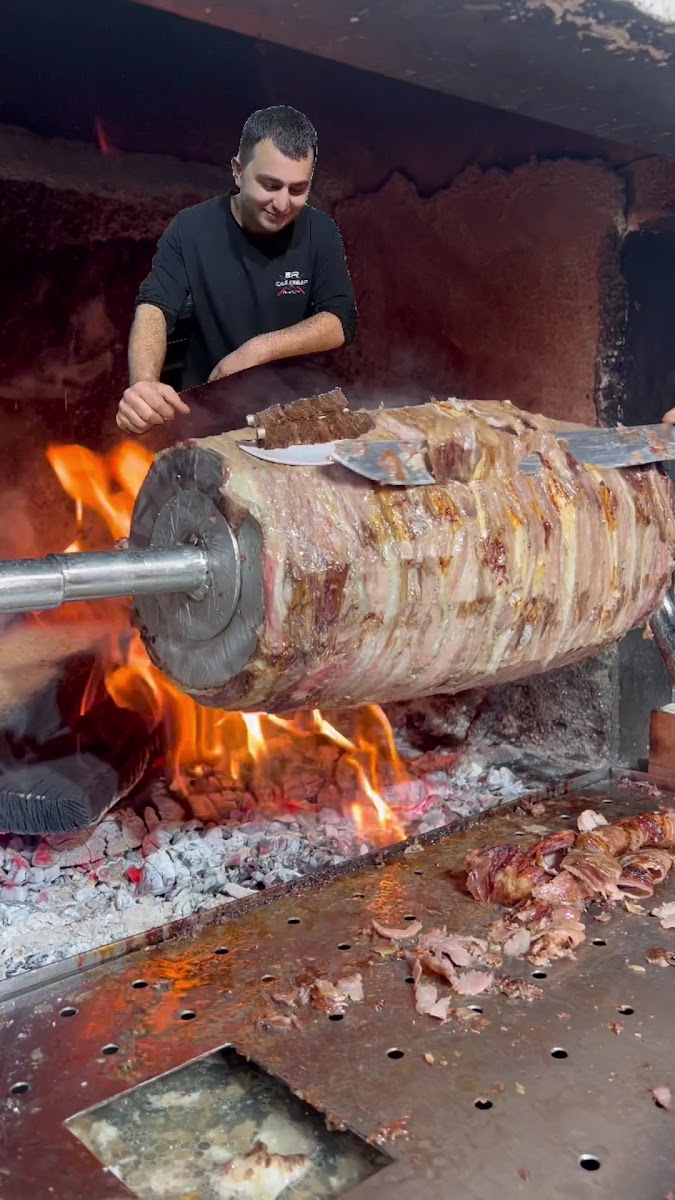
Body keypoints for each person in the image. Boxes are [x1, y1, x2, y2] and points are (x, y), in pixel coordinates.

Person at [116, 106, 357, 435]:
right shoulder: (191, 228)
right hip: (206, 415)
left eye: (298, 189)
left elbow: (339, 320)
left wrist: (258, 349)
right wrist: (144, 383)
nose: (283, 203)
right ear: (238, 171)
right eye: (270, 185)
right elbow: (155, 306)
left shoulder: (321, 231)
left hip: (295, 417)